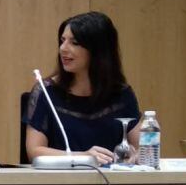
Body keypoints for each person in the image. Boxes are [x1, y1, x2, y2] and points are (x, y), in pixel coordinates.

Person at [24, 11, 140, 166]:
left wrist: (135, 155)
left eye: (74, 43)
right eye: (62, 40)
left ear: (98, 50)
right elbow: (34, 152)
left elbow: (141, 149)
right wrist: (84, 157)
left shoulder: (121, 94)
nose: (63, 48)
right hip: (60, 184)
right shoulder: (47, 92)